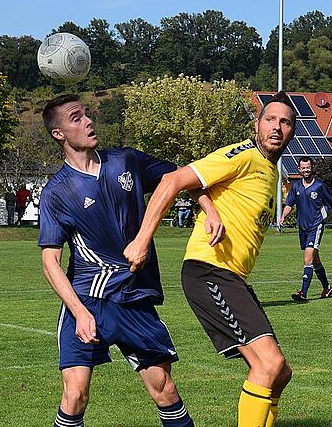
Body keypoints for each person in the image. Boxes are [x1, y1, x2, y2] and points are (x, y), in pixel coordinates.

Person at [38, 94, 221, 427]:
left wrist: (209, 209)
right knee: (75, 395)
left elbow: (180, 177)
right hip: (89, 300)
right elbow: (51, 262)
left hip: (135, 298)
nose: (88, 121)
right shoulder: (56, 192)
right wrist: (79, 313)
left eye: (87, 114)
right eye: (76, 118)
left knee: (164, 389)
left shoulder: (126, 161)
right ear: (59, 134)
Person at [124, 91, 297, 427]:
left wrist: (211, 208)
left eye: (284, 122)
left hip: (233, 279)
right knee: (268, 364)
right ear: (257, 125)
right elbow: (173, 179)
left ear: (292, 131)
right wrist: (142, 240)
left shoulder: (271, 170)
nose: (276, 127)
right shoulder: (243, 155)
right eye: (270, 119)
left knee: (280, 373)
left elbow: (201, 185)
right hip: (209, 272)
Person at [278, 156, 332, 302]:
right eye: (303, 167)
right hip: (302, 227)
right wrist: (283, 217)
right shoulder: (296, 186)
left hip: (316, 226)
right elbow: (289, 204)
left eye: (308, 167)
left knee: (307, 258)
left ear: (312, 168)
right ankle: (327, 287)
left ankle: (303, 293)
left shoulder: (320, 186)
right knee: (315, 260)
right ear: (299, 169)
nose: (306, 170)